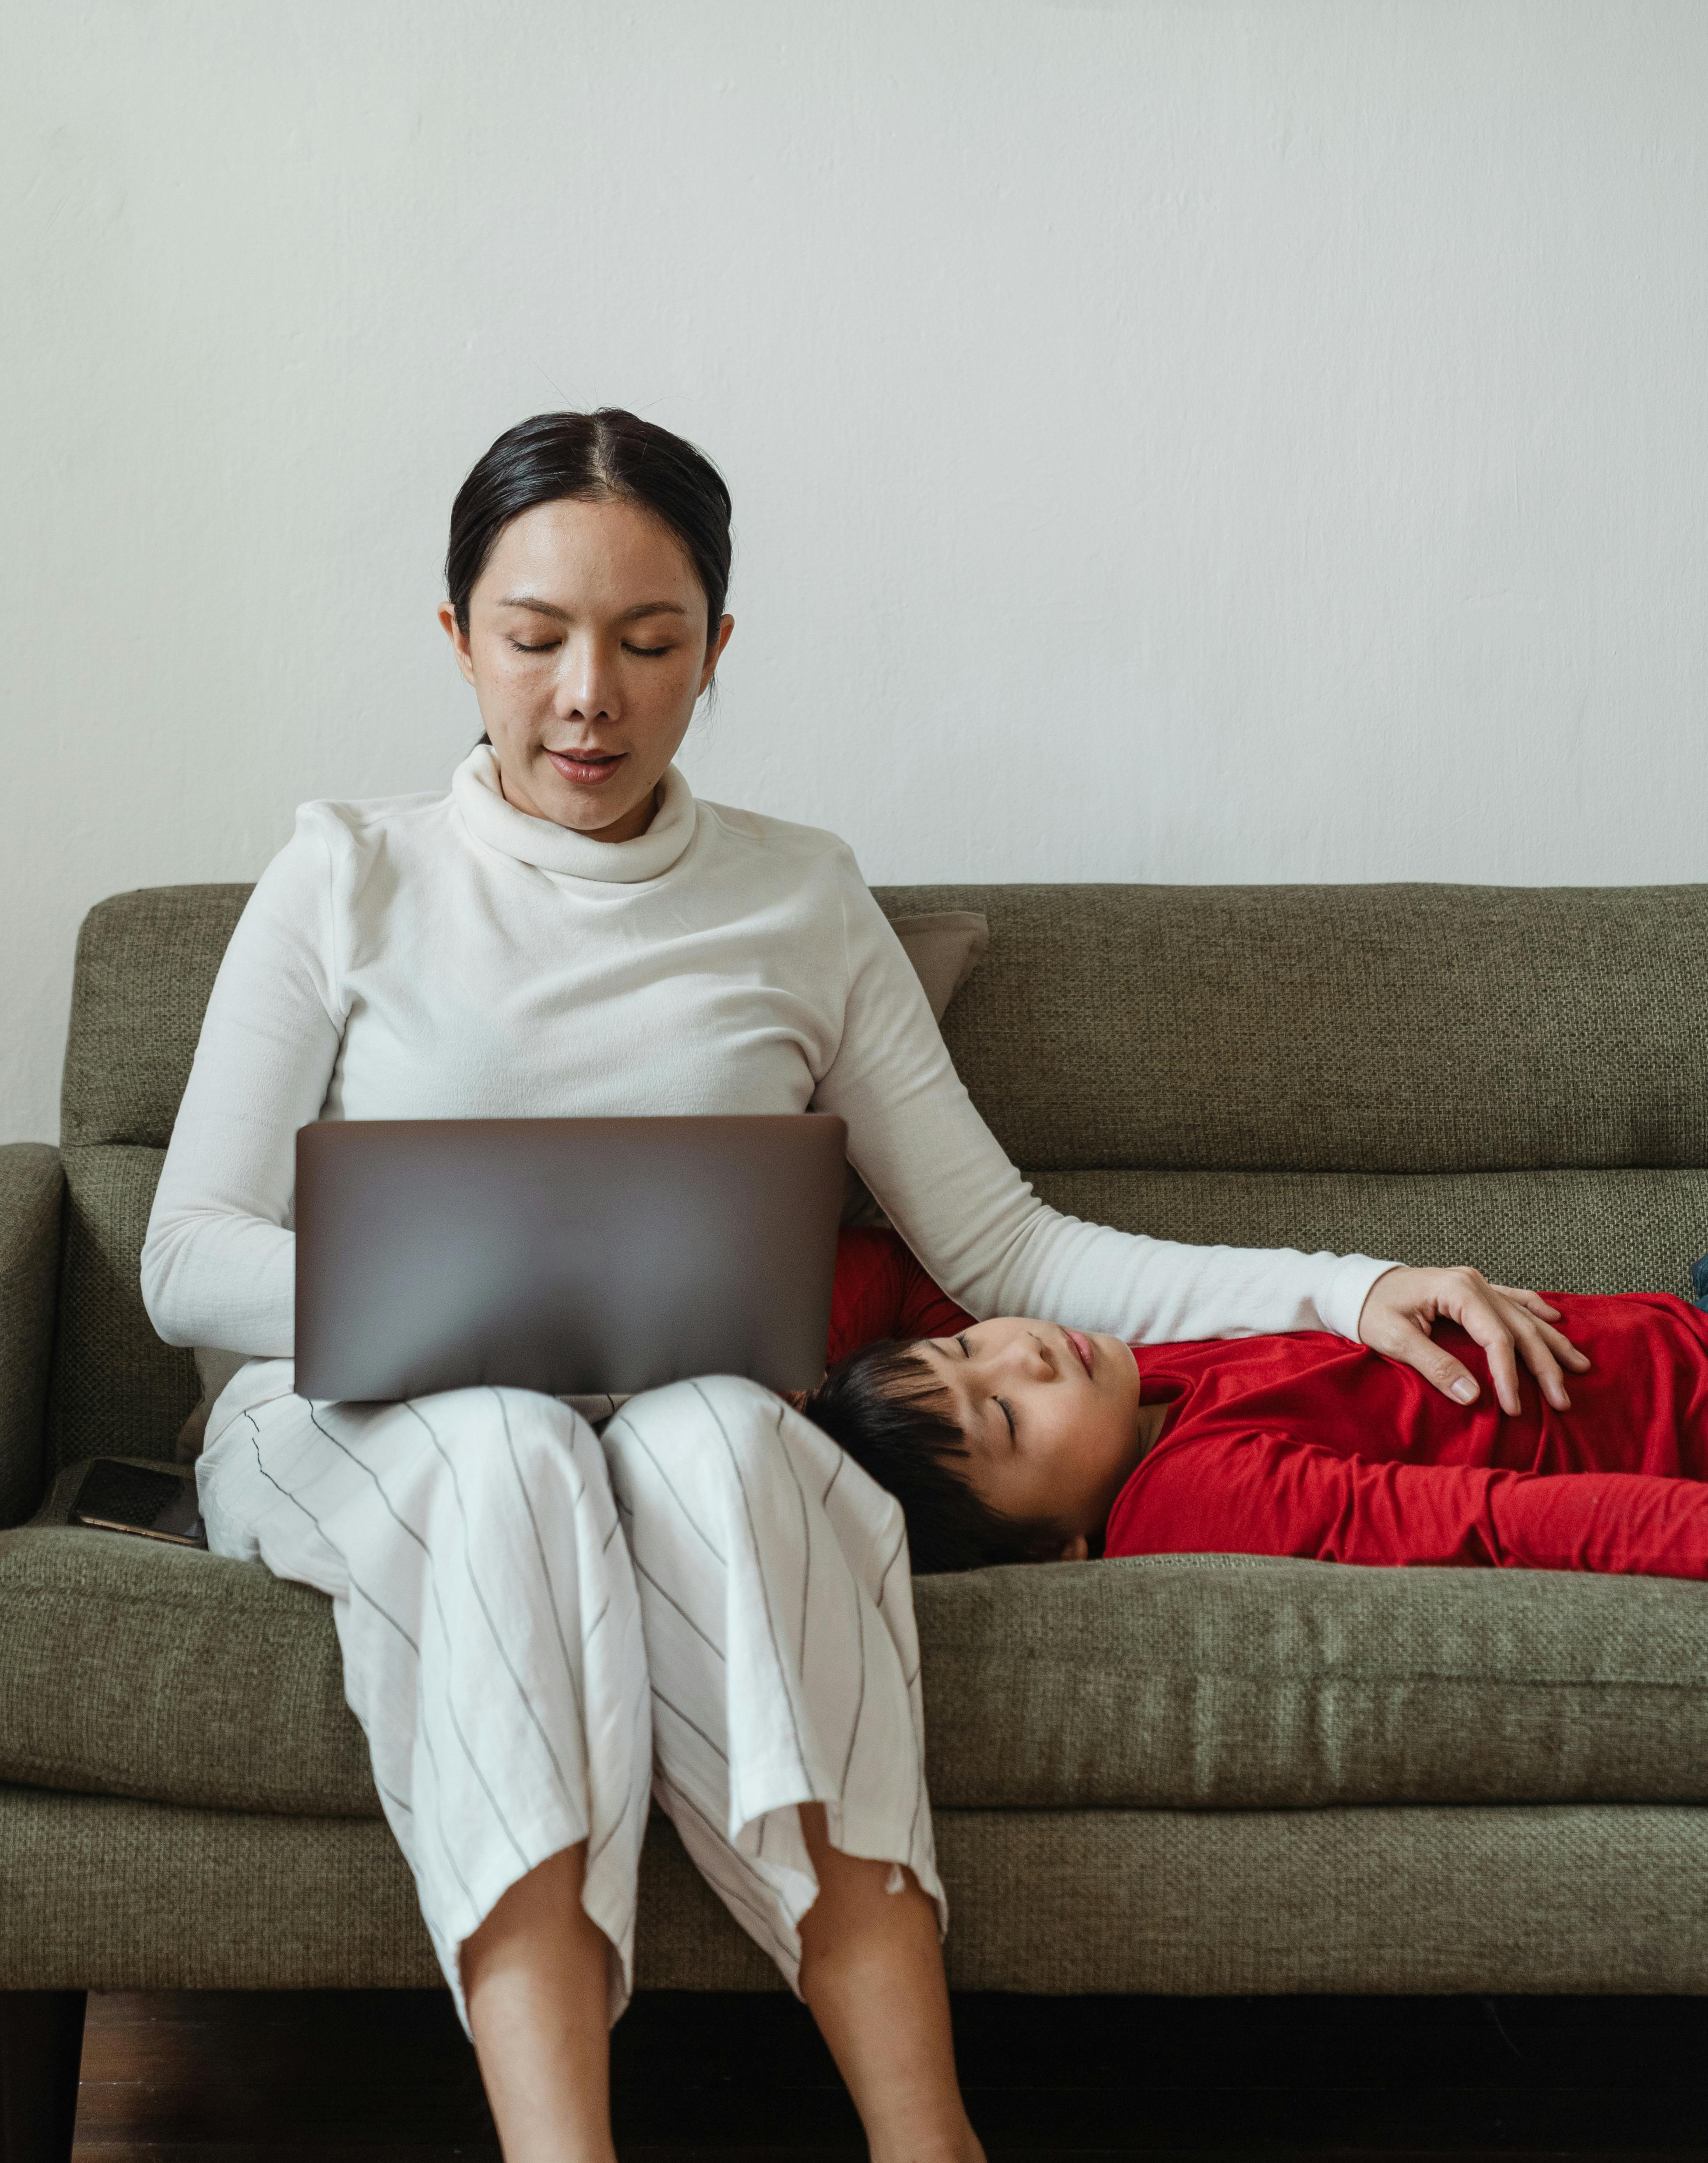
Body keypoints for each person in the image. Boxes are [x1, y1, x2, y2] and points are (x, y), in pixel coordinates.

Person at [141, 408, 1580, 2163]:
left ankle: (926, 2138)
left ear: (715, 650)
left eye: (648, 642)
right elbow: (186, 1255)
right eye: (533, 639)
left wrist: (1345, 1285)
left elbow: (1011, 1253)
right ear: (458, 639)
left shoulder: (800, 898)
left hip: (670, 1410)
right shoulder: (345, 874)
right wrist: (507, 1309)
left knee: (738, 1443)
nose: (588, 695)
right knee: (513, 1445)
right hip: (365, 1411)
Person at [805, 1228, 1708, 1582]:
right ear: (1050, 1550)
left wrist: (789, 1405)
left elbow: (881, 1263)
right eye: (1004, 1416)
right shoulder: (1188, 1496)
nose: (1021, 1354)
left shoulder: (1125, 1387)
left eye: (965, 1346)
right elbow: (1498, 1525)